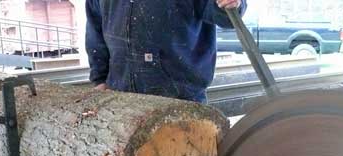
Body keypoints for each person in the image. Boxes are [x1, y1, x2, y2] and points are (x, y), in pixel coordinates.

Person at [85, 0, 247, 103]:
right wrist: (99, 79)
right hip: (121, 97)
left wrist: (234, 4)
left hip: (182, 99)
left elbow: (225, 17)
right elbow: (95, 29)